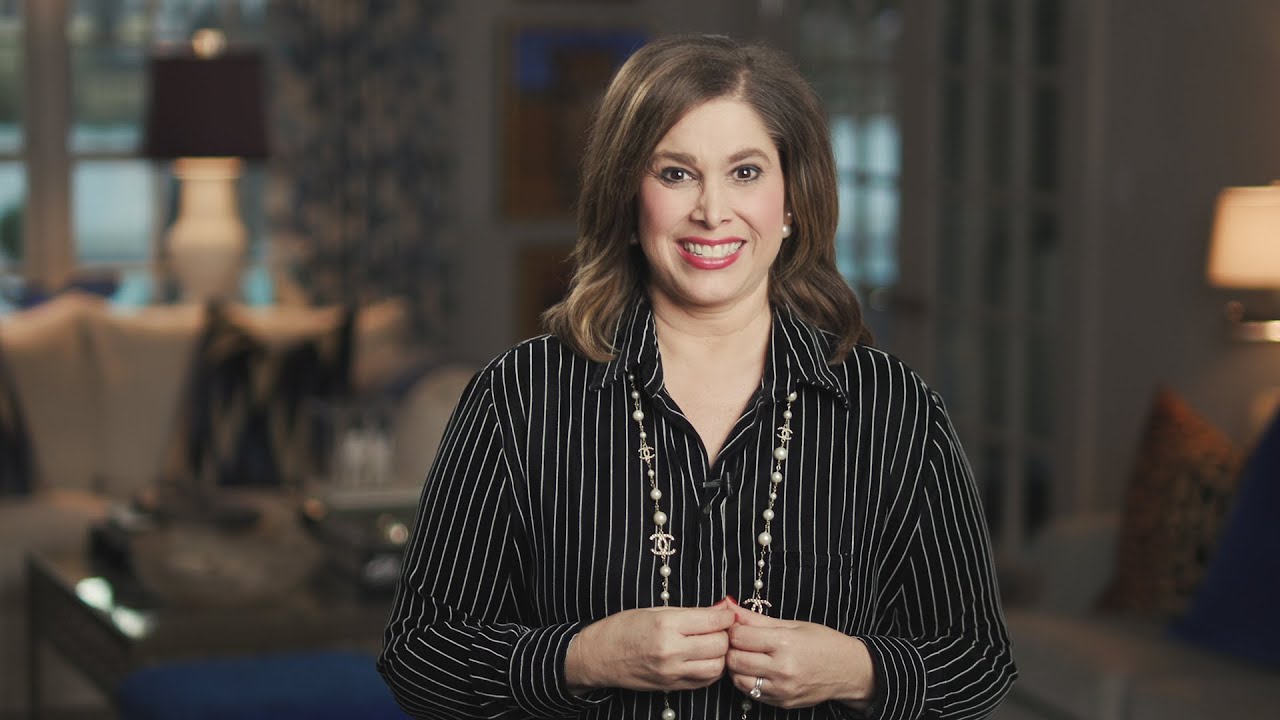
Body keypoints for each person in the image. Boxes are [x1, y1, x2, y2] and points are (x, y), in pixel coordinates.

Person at [378, 33, 1016, 720]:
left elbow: (978, 661)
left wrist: (856, 669)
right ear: (628, 199)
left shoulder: (894, 409)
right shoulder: (518, 398)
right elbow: (418, 657)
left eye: (746, 172)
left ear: (791, 202)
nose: (712, 211)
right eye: (676, 174)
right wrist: (584, 657)